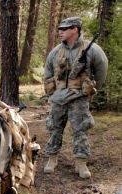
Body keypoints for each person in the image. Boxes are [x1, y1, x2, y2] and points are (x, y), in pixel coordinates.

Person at [43, 16, 108, 179]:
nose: (60, 32)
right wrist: (51, 93)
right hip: (58, 98)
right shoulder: (56, 51)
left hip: (79, 97)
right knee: (54, 128)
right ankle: (52, 158)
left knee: (81, 130)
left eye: (64, 29)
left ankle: (81, 162)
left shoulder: (92, 49)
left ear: (75, 30)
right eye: (60, 29)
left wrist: (91, 89)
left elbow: (101, 69)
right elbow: (48, 72)